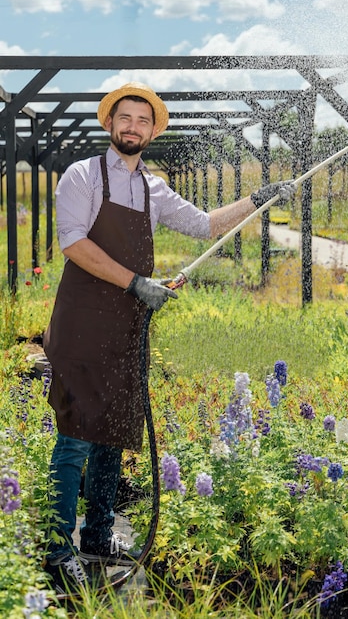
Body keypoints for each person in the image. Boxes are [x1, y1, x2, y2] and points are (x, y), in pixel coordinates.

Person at [43, 81, 295, 594]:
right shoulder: (83, 176)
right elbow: (73, 243)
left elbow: (204, 225)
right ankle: (56, 549)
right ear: (110, 124)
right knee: (74, 437)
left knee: (113, 431)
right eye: (125, 118)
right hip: (81, 324)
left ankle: (95, 536)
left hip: (126, 328)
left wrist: (258, 199)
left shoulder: (151, 187)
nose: (133, 127)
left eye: (143, 120)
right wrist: (136, 282)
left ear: (153, 130)